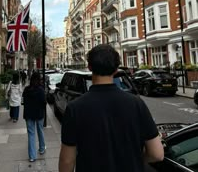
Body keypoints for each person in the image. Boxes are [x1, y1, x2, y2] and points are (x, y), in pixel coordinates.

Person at [59, 44, 164, 172]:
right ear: (115, 70)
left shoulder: (75, 108)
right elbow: (157, 154)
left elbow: (67, 160)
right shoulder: (137, 104)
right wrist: (136, 160)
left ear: (89, 67)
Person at [22, 72, 46, 162]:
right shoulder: (41, 90)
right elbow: (44, 102)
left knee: (31, 135)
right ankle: (42, 148)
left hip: (29, 115)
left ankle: (32, 156)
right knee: (40, 131)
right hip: (39, 114)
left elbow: (23, 102)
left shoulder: (26, 90)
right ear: (39, 79)